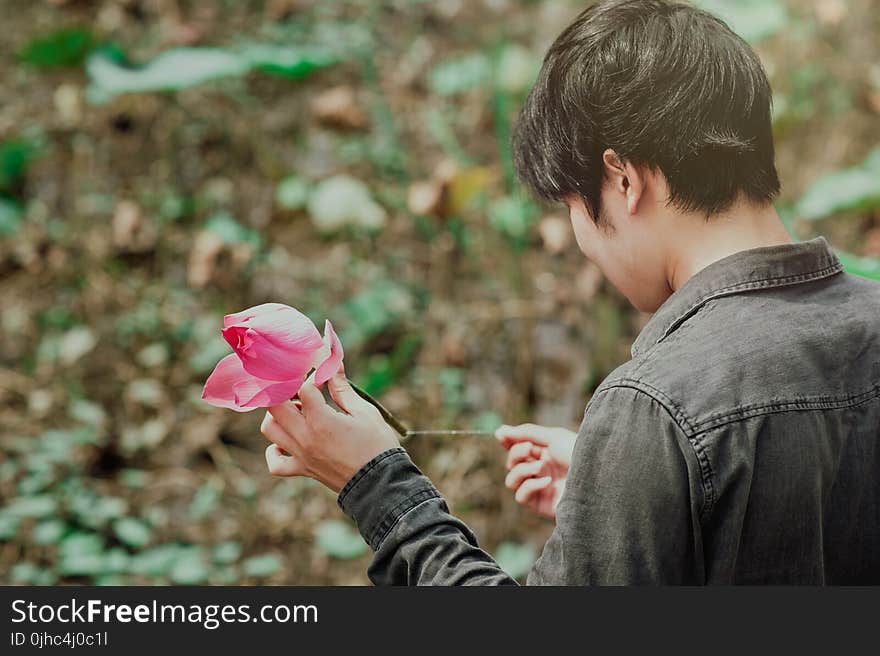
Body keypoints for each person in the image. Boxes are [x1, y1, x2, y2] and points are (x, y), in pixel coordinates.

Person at [258, 0, 880, 584]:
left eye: (574, 208)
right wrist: (623, 485)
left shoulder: (657, 405)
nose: (581, 235)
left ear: (623, 179)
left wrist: (375, 482)